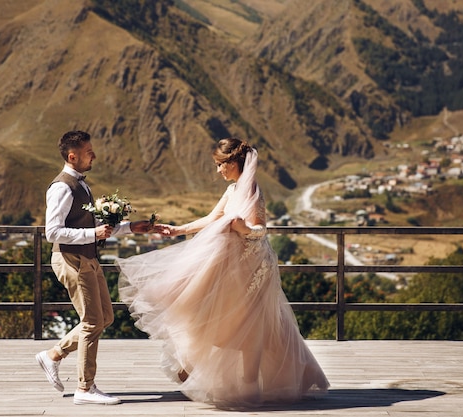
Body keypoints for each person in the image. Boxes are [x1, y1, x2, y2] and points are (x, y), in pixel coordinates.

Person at [117, 138, 329, 408]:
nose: (218, 170)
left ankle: (251, 386)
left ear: (233, 162)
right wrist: (178, 230)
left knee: (251, 326)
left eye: (220, 165)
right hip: (230, 266)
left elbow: (260, 230)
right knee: (207, 314)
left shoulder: (252, 190)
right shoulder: (232, 190)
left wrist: (243, 229)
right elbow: (211, 218)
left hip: (251, 268)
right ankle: (193, 369)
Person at [37, 130, 152, 405]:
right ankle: (85, 389)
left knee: (105, 318)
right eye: (89, 152)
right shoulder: (62, 187)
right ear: (73, 156)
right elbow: (52, 232)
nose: (94, 156)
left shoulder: (81, 184)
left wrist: (129, 228)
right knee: (91, 322)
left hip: (88, 258)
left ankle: (53, 355)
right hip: (71, 259)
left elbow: (92, 227)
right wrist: (93, 235)